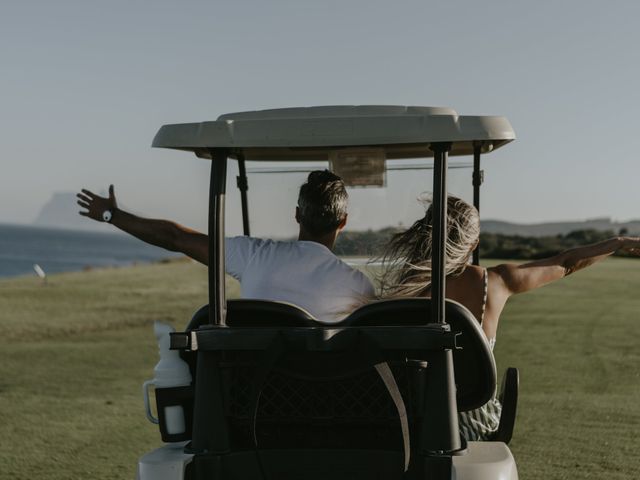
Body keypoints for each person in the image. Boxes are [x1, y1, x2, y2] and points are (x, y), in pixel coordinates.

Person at [378, 194, 640, 441]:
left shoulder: (402, 292)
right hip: (472, 430)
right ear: (473, 243)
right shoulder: (493, 283)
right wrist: (618, 243)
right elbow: (565, 263)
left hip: (411, 427)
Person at [76, 170, 374, 322]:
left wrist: (112, 215)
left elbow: (174, 237)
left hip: (251, 404)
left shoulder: (253, 256)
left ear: (297, 215)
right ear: (343, 222)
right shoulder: (359, 286)